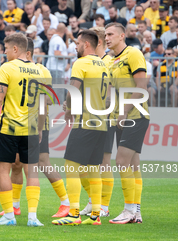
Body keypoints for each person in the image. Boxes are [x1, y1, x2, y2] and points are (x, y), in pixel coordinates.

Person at [0, 37, 70, 219]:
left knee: (40, 164)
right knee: (15, 164)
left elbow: (44, 102)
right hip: (20, 124)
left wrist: (40, 127)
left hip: (35, 124)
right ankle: (15, 206)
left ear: (25, 52)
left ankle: (65, 202)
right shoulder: (15, 70)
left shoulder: (42, 70)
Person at [0, 33, 45, 227]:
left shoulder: (8, 67)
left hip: (9, 128)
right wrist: (40, 128)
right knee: (31, 173)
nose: (5, 53)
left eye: (6, 49)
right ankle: (33, 217)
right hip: (31, 129)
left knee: (3, 171)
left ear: (16, 49)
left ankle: (9, 216)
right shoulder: (40, 70)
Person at [51, 30, 109, 226]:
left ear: (86, 45)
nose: (75, 47)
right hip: (102, 122)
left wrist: (68, 110)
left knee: (71, 166)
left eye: (77, 43)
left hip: (85, 121)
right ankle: (95, 215)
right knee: (94, 169)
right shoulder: (104, 64)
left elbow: (74, 88)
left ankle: (74, 214)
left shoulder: (81, 63)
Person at [105, 22, 149, 224]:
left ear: (122, 36)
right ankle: (136, 212)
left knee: (122, 161)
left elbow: (141, 86)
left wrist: (123, 111)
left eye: (110, 34)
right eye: (105, 35)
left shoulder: (133, 53)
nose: (107, 38)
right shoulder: (112, 61)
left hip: (135, 116)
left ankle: (129, 210)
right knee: (132, 163)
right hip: (121, 117)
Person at [79, 27, 114, 218]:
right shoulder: (91, 62)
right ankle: (93, 200)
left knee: (104, 162)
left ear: (96, 42)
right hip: (87, 117)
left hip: (104, 117)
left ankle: (104, 206)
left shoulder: (109, 61)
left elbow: (111, 90)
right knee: (85, 163)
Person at [46, 23, 67, 103]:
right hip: (56, 69)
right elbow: (57, 54)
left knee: (52, 90)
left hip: (53, 68)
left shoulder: (55, 39)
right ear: (64, 30)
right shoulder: (58, 40)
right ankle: (58, 111)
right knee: (58, 91)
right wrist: (67, 56)